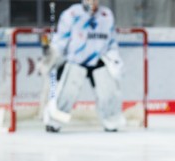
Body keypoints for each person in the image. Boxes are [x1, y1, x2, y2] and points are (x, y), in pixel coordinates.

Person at [41, 0, 124, 133]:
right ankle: (54, 122)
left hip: (98, 60)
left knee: (109, 94)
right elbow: (60, 40)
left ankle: (111, 122)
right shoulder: (71, 14)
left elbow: (112, 42)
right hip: (76, 61)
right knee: (66, 95)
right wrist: (52, 54)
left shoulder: (106, 15)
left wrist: (115, 60)